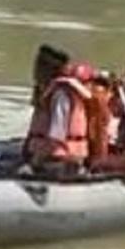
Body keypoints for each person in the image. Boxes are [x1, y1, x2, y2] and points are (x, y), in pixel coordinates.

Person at [24, 44, 93, 176]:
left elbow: (57, 135)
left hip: (61, 159)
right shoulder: (46, 91)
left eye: (39, 66)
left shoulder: (60, 95)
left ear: (49, 69)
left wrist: (35, 162)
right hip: (51, 154)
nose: (35, 71)